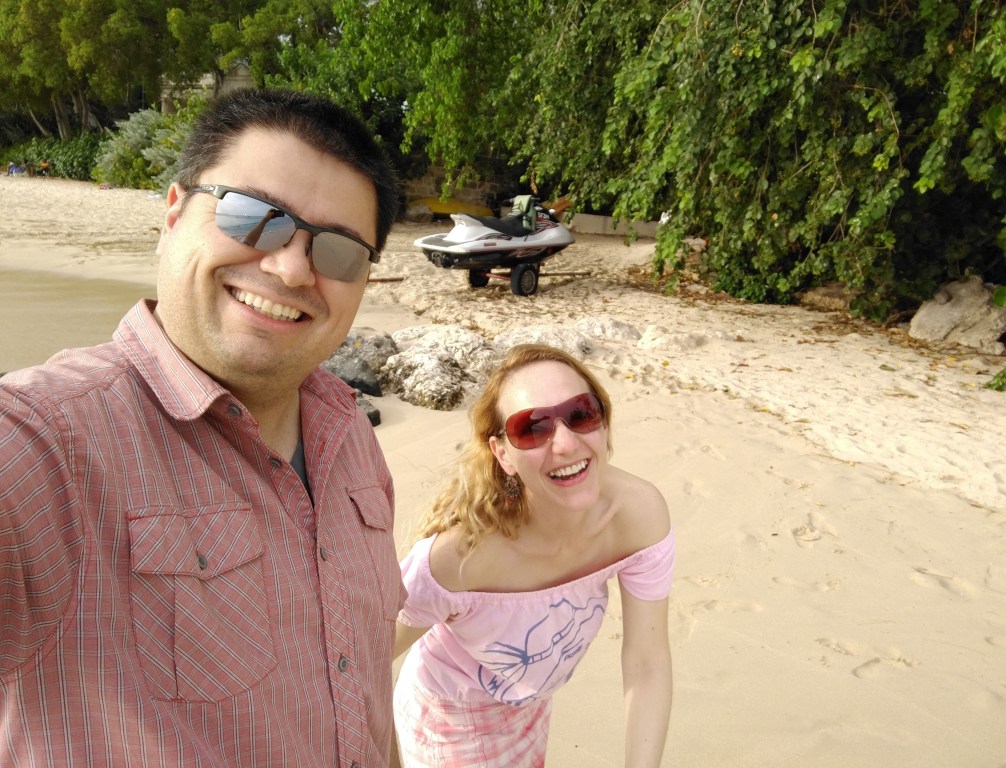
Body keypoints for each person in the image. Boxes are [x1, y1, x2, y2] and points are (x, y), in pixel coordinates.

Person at [0, 88, 403, 767]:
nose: (291, 267)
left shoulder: (350, 438)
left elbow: (361, 684)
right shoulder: (48, 445)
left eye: (337, 251)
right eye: (254, 217)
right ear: (173, 212)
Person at [392, 344, 675, 767]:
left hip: (530, 709)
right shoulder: (459, 555)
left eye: (581, 413)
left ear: (603, 422)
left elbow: (647, 661)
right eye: (533, 427)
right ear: (503, 454)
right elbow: (363, 658)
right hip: (448, 720)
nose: (564, 443)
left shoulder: (638, 517)